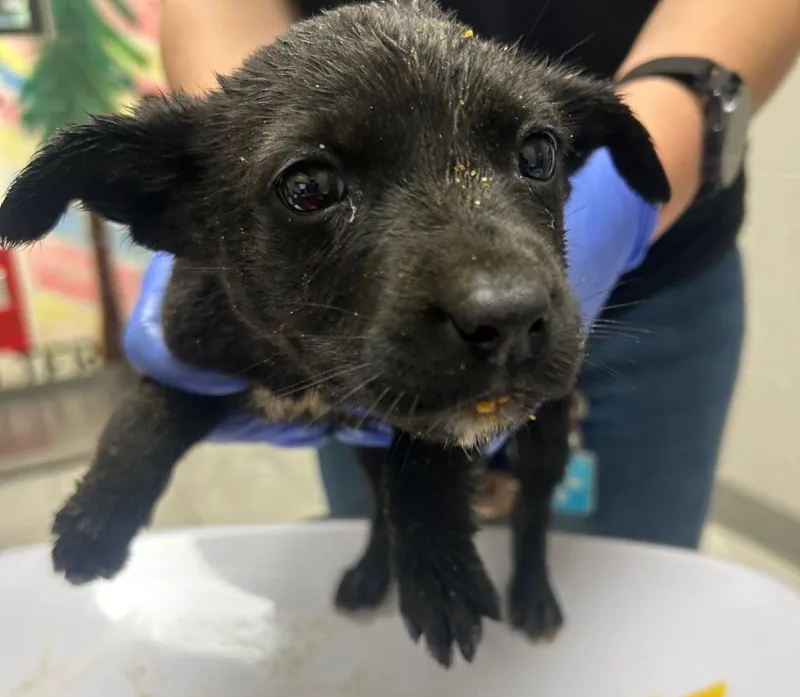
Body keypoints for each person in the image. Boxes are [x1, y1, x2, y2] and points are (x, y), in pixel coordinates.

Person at [125, 0, 800, 549]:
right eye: (311, 188)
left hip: (661, 281)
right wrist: (233, 167)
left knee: (629, 590)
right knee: (397, 568)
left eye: (536, 155)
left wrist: (641, 174)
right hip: (350, 304)